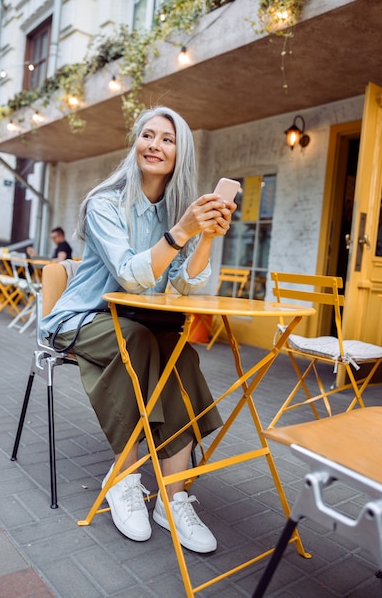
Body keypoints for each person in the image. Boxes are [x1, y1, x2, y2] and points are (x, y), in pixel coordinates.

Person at [40, 106, 236, 553]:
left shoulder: (173, 212)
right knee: (142, 343)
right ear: (136, 144)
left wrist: (204, 236)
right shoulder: (105, 204)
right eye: (147, 135)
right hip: (80, 319)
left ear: (178, 153)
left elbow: (184, 285)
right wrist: (182, 231)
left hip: (134, 322)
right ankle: (124, 476)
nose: (154, 144)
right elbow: (132, 276)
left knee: (180, 352)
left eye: (167, 139)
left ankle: (173, 497)